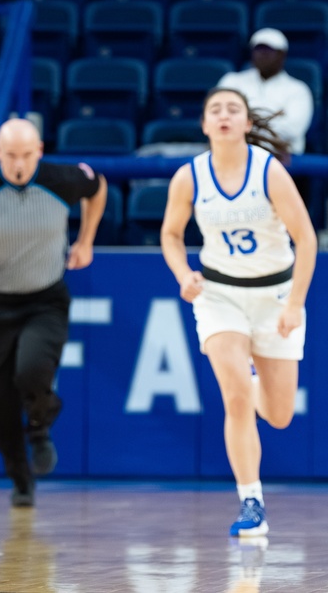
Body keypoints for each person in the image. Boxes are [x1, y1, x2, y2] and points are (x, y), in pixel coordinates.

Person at [160, 88, 316, 538]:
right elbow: (171, 234)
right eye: (215, 109)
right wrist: (182, 274)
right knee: (234, 399)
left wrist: (295, 304)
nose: (224, 115)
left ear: (247, 123)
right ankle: (252, 500)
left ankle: (253, 378)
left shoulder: (269, 171)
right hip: (219, 294)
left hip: (274, 297)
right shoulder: (189, 177)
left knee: (280, 413)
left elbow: (305, 239)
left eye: (233, 109)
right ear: (205, 125)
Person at [0, 118, 107, 508]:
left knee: (33, 369)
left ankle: (39, 427)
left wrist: (86, 240)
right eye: (10, 157)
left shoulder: (61, 180)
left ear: (39, 151)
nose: (19, 165)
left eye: (26, 155)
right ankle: (20, 475)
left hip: (46, 300)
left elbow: (98, 187)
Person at [217, 28, 314, 156]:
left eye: (268, 50)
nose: (262, 54)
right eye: (258, 49)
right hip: (235, 154)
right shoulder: (232, 81)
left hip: (281, 158)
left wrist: (246, 123)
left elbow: (293, 130)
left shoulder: (298, 89)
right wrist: (270, 121)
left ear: (281, 54)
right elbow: (218, 118)